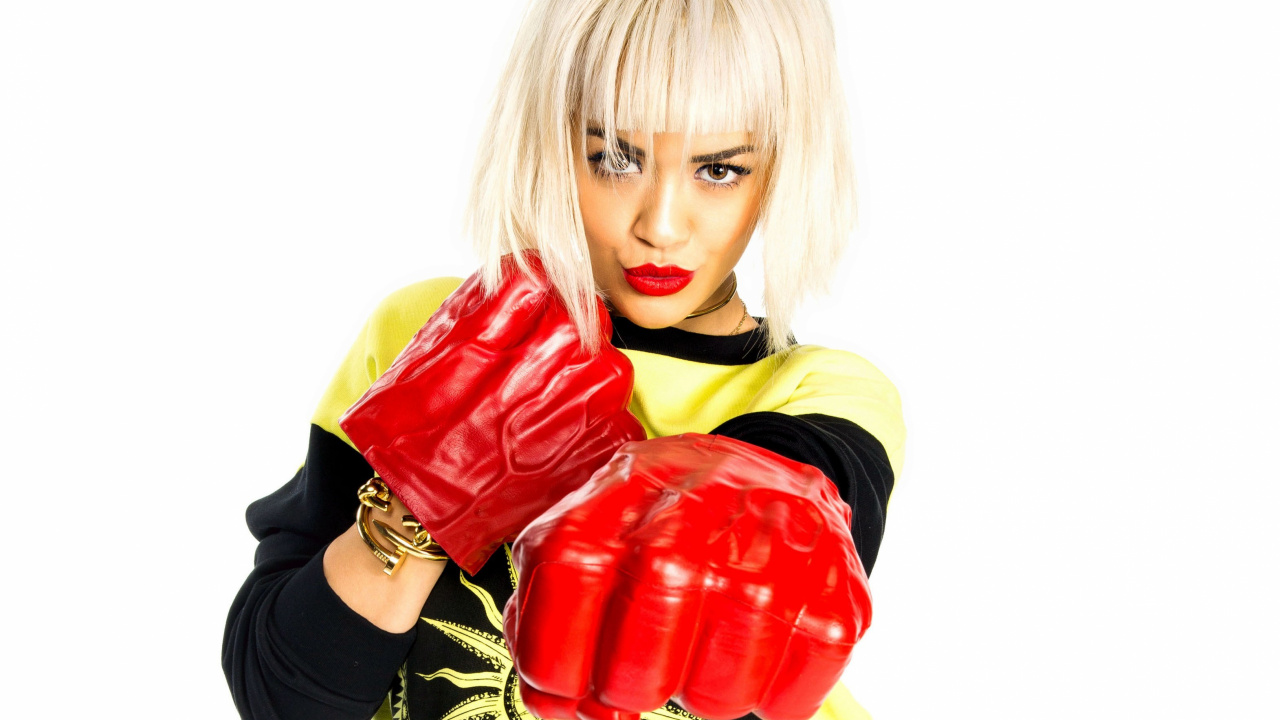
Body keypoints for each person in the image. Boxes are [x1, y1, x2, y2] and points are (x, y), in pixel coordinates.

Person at [222, 1, 907, 720]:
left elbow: (799, 499)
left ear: (782, 170)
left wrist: (746, 507)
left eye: (718, 169)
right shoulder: (421, 329)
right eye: (615, 158)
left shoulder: (824, 392)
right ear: (551, 142)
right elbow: (280, 699)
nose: (661, 226)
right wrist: (425, 495)